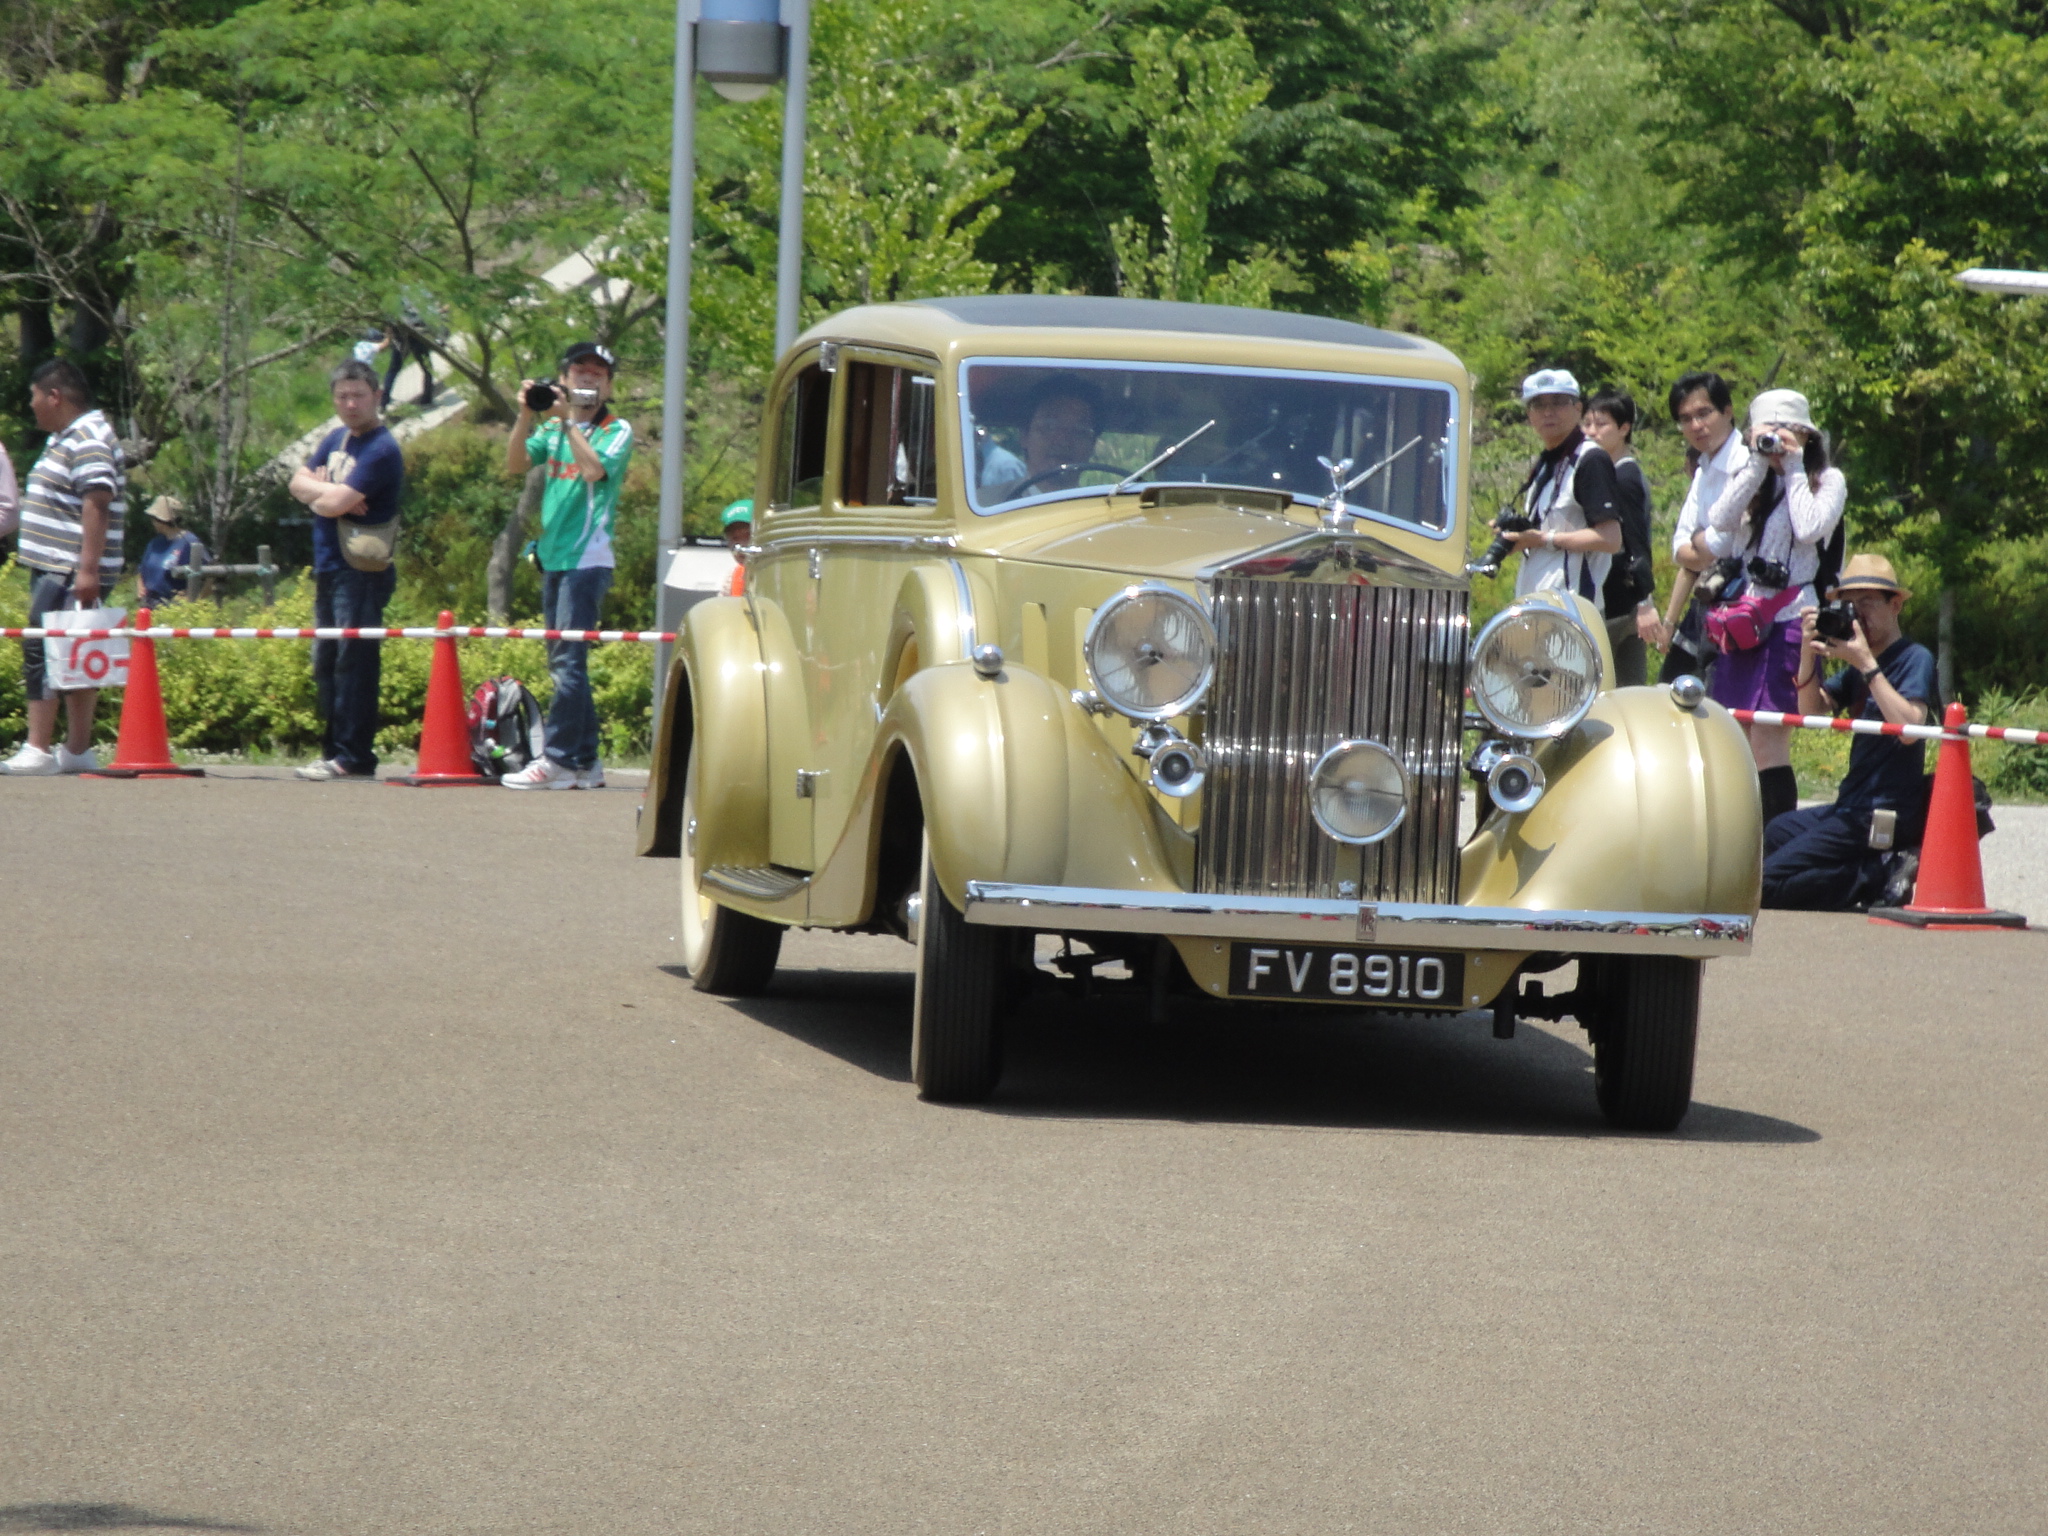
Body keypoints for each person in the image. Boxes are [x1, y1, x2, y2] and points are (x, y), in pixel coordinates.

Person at [1702, 388, 1848, 829]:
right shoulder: (1753, 474)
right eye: (1768, 430)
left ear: (1806, 434)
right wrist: (1757, 464)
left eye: (1787, 430)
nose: (1777, 438)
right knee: (1734, 737)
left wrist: (1794, 467)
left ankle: (1774, 841)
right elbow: (1719, 521)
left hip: (1790, 616)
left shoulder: (1829, 479)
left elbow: (1809, 528)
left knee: (1768, 738)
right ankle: (1735, 839)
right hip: (1744, 616)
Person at [1762, 555, 1935, 909]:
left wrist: (1867, 666)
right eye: (1850, 605)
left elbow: (1911, 728)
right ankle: (1861, 867)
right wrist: (1809, 653)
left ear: (1896, 604)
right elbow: (1811, 710)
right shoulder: (1861, 663)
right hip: (1850, 804)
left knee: (1765, 884)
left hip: (1882, 811)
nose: (1858, 615)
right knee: (1776, 832)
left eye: (1868, 603)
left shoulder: (1914, 658)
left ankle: (1870, 876)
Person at [501, 341, 635, 790]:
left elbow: (595, 471)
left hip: (588, 558)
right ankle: (586, 761)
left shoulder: (617, 428)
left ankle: (557, 758)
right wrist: (526, 414)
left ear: (609, 384)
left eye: (598, 373)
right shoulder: (554, 429)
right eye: (580, 370)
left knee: (568, 665)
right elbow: (515, 463)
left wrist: (566, 421)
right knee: (565, 662)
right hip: (554, 557)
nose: (588, 378)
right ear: (563, 378)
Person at [3, 359, 127, 775]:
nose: (32, 405)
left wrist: (87, 570)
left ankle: (38, 747)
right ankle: (75, 749)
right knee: (74, 651)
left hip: (68, 567)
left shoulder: (88, 437)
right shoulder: (67, 436)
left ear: (54, 396)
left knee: (44, 646)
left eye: (34, 396)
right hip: (59, 565)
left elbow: (97, 501)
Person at [290, 358, 404, 782]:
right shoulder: (334, 439)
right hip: (327, 564)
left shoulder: (381, 448)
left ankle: (353, 754)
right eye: (342, 396)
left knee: (353, 661)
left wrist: (323, 496)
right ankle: (333, 751)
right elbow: (296, 483)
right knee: (325, 660)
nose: (350, 403)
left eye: (359, 395)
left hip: (361, 569)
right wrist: (329, 491)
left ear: (377, 396)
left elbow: (330, 503)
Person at [1494, 368, 1624, 602]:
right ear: (1529, 415)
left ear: (1578, 409)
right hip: (1539, 602)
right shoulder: (1546, 463)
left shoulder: (1589, 459)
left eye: (1558, 402)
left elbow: (1610, 539)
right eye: (1538, 405)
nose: (1548, 412)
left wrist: (1544, 539)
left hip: (1571, 608)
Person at [1658, 372, 1751, 688]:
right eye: (1685, 419)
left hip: (1745, 607)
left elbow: (1719, 548)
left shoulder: (1746, 464)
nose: (1696, 426)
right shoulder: (1705, 468)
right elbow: (1680, 547)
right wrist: (1701, 545)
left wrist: (1700, 544)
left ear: (1727, 411)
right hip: (1709, 603)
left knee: (1723, 710)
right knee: (1671, 692)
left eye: (1703, 413)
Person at [1583, 391, 1657, 687]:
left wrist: (1644, 601)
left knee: (1598, 688)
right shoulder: (1616, 472)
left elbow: (1637, 541)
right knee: (1628, 686)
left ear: (1624, 428)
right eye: (1586, 423)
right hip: (1624, 599)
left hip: (1619, 601)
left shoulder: (1623, 477)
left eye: (1601, 424)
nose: (1591, 431)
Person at [981, 376, 1104, 497]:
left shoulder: (1108, 511)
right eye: (1049, 427)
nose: (1062, 440)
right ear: (1024, 436)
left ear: (1092, 445)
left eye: (1079, 431)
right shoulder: (986, 508)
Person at [135, 496, 210, 607]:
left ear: (162, 520)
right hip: (148, 604)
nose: (152, 522)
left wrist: (193, 600)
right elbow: (141, 570)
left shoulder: (189, 542)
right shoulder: (155, 543)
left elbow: (210, 575)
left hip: (172, 606)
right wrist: (140, 587)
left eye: (154, 518)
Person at [721, 498, 752, 597]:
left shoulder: (777, 572)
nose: (741, 545)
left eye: (748, 536)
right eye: (735, 538)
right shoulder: (732, 578)